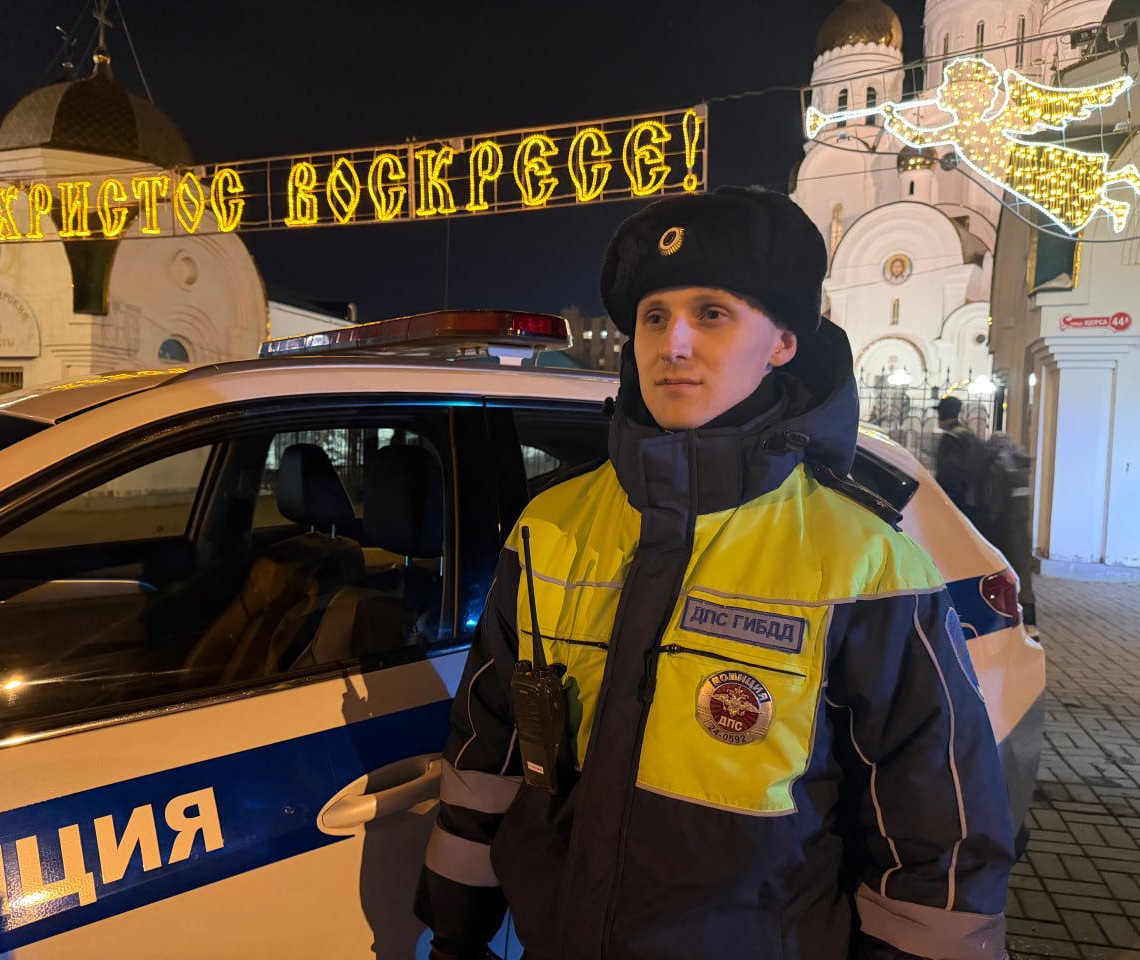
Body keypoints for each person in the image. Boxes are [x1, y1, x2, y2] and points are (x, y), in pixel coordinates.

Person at [415, 186, 1014, 959]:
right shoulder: (549, 527)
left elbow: (938, 839)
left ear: (783, 342)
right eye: (654, 317)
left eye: (712, 313)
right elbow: (487, 752)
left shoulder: (864, 562)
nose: (674, 344)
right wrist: (454, 932)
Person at [983, 433, 1039, 636]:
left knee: (1003, 576)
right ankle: (1030, 622)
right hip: (1020, 531)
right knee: (1023, 577)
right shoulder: (1020, 467)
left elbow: (996, 505)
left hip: (1004, 533)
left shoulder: (1000, 467)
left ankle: (1011, 621)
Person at [935, 395, 988, 526]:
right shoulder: (969, 435)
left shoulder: (950, 438)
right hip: (976, 501)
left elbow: (949, 476)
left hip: (959, 503)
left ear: (942, 415)